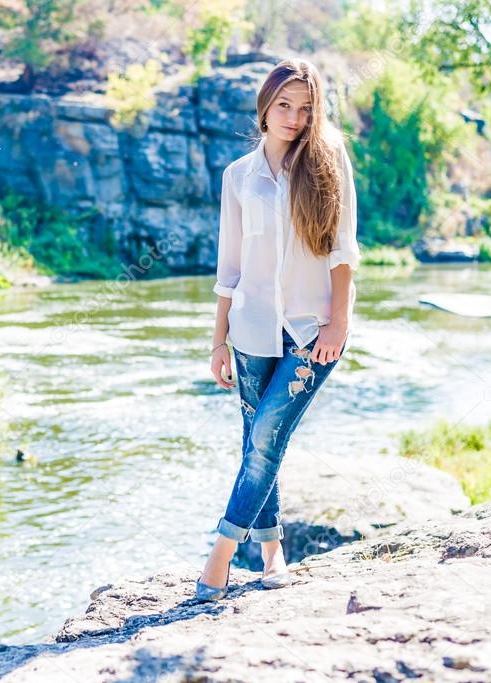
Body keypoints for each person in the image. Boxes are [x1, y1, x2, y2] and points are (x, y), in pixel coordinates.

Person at [195, 57, 361, 601]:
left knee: (265, 439)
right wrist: (218, 340)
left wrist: (339, 322)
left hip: (313, 332)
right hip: (250, 331)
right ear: (265, 107)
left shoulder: (327, 159)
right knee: (256, 442)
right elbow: (229, 269)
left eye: (306, 108)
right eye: (285, 105)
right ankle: (271, 551)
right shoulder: (237, 177)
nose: (294, 117)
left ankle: (218, 557)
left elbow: (343, 251)